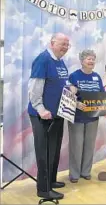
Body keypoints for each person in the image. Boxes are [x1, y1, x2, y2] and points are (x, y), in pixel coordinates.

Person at [28, 33, 75, 200]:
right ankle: (43, 189)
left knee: (54, 150)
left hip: (57, 114)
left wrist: (70, 88)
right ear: (52, 43)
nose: (65, 47)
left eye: (67, 44)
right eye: (62, 43)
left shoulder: (60, 62)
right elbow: (34, 87)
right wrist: (40, 109)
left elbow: (61, 83)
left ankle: (51, 181)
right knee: (45, 152)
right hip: (43, 116)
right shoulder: (43, 59)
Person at [68, 49, 104, 183]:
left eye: (93, 59)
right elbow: (67, 95)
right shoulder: (74, 76)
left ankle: (86, 171)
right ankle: (74, 174)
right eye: (89, 59)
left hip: (93, 117)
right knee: (76, 146)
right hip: (77, 117)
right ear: (82, 61)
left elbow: (102, 95)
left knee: (89, 145)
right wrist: (76, 103)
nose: (91, 61)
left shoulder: (97, 77)